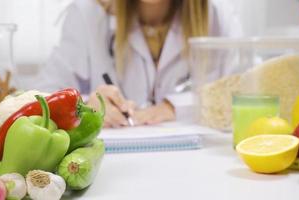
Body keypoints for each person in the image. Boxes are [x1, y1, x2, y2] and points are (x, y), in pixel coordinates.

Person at [35, 0, 242, 128]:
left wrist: (177, 106)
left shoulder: (217, 12)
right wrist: (84, 105)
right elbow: (41, 99)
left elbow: (245, 93)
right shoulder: (87, 13)